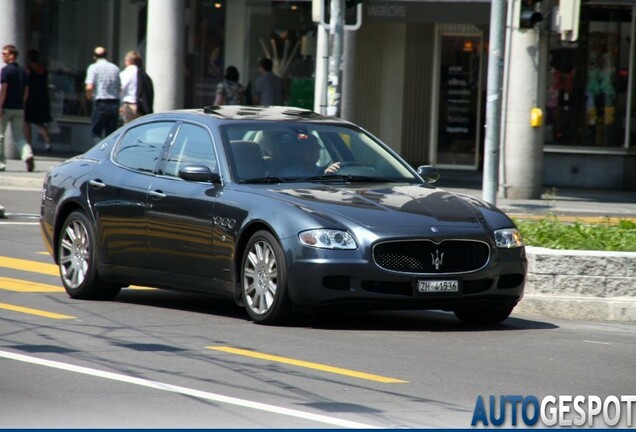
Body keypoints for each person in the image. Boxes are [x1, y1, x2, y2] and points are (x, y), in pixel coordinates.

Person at [0, 44, 34, 172]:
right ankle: (28, 155)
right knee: (19, 136)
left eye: (4, 53)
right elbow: (26, 90)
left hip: (6, 107)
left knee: (0, 136)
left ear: (12, 55)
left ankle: (1, 164)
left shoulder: (6, 70)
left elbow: (4, 89)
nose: (2, 56)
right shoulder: (23, 71)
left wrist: (0, 105)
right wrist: (22, 104)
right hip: (19, 107)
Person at [85, 46, 121, 140]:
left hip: (101, 102)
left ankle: (97, 153)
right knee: (111, 135)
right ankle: (109, 153)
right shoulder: (115, 68)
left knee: (95, 132)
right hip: (114, 103)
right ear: (106, 56)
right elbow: (119, 87)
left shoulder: (93, 67)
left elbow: (89, 87)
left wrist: (89, 96)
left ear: (94, 56)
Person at [24, 49, 53, 152]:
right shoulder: (43, 69)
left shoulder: (28, 69)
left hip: (31, 97)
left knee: (26, 121)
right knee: (40, 122)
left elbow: (26, 86)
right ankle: (47, 139)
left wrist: (24, 100)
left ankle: (28, 144)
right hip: (43, 96)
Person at [119, 50, 141, 123]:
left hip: (129, 105)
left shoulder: (126, 73)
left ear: (128, 61)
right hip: (140, 106)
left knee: (129, 129)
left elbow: (121, 88)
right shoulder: (142, 73)